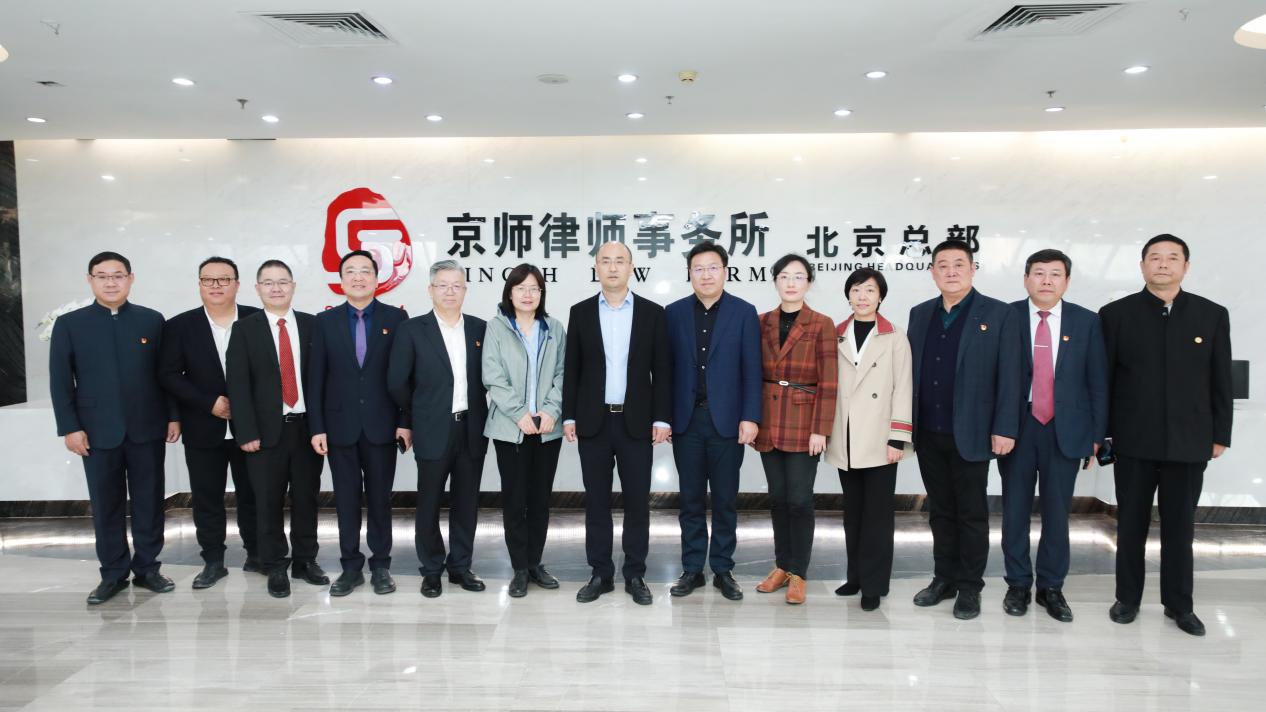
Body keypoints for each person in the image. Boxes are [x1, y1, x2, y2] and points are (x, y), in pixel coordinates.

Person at [1100, 234, 1232, 637]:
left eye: (1172, 258)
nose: (1163, 264)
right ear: (1142, 266)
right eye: (1154, 257)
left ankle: (1180, 605)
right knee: (1131, 525)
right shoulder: (1115, 314)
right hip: (1133, 441)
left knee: (1180, 528)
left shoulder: (1211, 314)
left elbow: (1220, 380)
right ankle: (1127, 599)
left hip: (1190, 441)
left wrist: (1220, 434)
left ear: (1185, 267)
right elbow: (1104, 381)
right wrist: (1103, 434)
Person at [50, 251, 180, 604]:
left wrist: (173, 415)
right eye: (102, 276)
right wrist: (70, 427)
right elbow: (61, 382)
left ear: (130, 279)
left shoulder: (152, 320)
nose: (111, 282)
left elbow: (165, 374)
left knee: (149, 501)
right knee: (106, 504)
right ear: (90, 280)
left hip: (147, 427)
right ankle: (112, 574)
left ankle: (148, 568)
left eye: (118, 275)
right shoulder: (70, 324)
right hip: (95, 431)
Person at [907, 240, 1022, 620]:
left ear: (973, 269)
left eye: (959, 264)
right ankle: (944, 578)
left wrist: (1005, 427)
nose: (951, 271)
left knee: (971, 513)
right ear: (933, 272)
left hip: (973, 433)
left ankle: (970, 586)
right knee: (940, 511)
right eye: (943, 265)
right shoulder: (920, 314)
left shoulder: (999, 314)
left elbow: (1011, 376)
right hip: (929, 431)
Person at [998, 249, 1108, 622]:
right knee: (1014, 510)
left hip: (1066, 429)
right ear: (1026, 279)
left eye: (1055, 274)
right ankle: (1017, 583)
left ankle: (1051, 587)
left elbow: (1097, 382)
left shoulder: (1086, 321)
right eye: (1039, 273)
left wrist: (1096, 435)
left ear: (1067, 281)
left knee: (1057, 513)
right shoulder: (1006, 316)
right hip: (1017, 427)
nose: (1046, 280)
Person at [562, 242, 672, 605]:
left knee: (638, 502)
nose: (612, 267)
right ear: (596, 267)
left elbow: (662, 370)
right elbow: (573, 369)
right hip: (593, 423)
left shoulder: (652, 313)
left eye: (619, 261)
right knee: (596, 502)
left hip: (636, 423)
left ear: (631, 267)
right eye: (605, 261)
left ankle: (635, 574)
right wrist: (569, 415)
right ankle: (600, 573)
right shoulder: (580, 312)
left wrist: (662, 417)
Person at [308, 250, 410, 596]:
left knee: (381, 499)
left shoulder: (396, 319)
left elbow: (405, 375)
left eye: (365, 271)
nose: (358, 277)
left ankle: (381, 565)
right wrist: (317, 427)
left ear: (377, 279)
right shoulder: (324, 322)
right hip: (340, 427)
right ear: (340, 280)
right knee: (346, 500)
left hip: (383, 425)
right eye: (350, 271)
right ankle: (350, 567)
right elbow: (315, 379)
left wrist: (405, 421)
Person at [665, 241, 762, 601]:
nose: (705, 275)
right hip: (686, 421)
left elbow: (753, 369)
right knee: (690, 500)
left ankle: (723, 569)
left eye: (712, 268)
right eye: (698, 268)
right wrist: (664, 417)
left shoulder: (744, 312)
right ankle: (692, 568)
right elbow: (665, 370)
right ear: (689, 273)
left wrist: (750, 416)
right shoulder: (673, 313)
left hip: (728, 423)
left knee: (725, 500)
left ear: (725, 271)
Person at [225, 259, 328, 598]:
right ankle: (274, 565)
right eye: (268, 282)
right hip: (265, 434)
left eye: (282, 281)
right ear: (257, 289)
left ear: (293, 286)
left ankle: (305, 560)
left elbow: (323, 380)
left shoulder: (313, 326)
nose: (276, 288)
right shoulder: (244, 329)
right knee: (267, 502)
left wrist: (322, 427)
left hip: (306, 430)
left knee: (306, 498)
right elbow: (238, 384)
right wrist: (245, 432)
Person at [387, 259, 489, 598]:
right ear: (430, 290)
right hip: (431, 428)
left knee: (467, 502)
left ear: (465, 290)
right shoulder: (412, 330)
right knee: (429, 502)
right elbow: (397, 382)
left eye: (456, 285)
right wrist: (418, 413)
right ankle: (431, 569)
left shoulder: (479, 329)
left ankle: (461, 566)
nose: (449, 291)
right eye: (442, 285)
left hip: (471, 428)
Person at [158, 256, 261, 588]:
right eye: (208, 279)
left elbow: (269, 371)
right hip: (203, 426)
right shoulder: (179, 326)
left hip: (252, 428)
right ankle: (213, 561)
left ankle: (257, 554)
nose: (216, 285)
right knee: (207, 498)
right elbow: (169, 375)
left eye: (224, 279)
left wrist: (245, 406)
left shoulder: (257, 319)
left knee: (254, 494)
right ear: (200, 284)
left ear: (237, 284)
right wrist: (209, 403)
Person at [824, 268, 912, 612]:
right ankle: (856, 577)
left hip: (880, 437)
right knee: (853, 513)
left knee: (877, 516)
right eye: (857, 290)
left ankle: (874, 585)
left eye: (870, 290)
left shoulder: (895, 336)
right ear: (848, 295)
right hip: (845, 436)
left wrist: (898, 438)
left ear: (881, 297)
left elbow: (903, 388)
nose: (862, 296)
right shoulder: (835, 334)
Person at [752, 254, 837, 605]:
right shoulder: (761, 322)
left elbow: (830, 381)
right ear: (775, 281)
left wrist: (821, 429)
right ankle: (782, 566)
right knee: (778, 498)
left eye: (799, 276)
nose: (791, 283)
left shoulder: (821, 324)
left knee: (800, 500)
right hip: (769, 420)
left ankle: (799, 572)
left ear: (809, 283)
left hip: (804, 422)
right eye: (784, 276)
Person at [483, 263, 567, 598]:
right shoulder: (496, 327)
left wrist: (551, 410)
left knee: (540, 500)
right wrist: (519, 413)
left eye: (534, 288)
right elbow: (492, 376)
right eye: (521, 288)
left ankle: (535, 563)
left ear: (542, 294)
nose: (528, 294)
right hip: (510, 428)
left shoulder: (554, 328)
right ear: (510, 293)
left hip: (547, 428)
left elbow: (563, 373)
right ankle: (519, 567)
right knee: (515, 500)